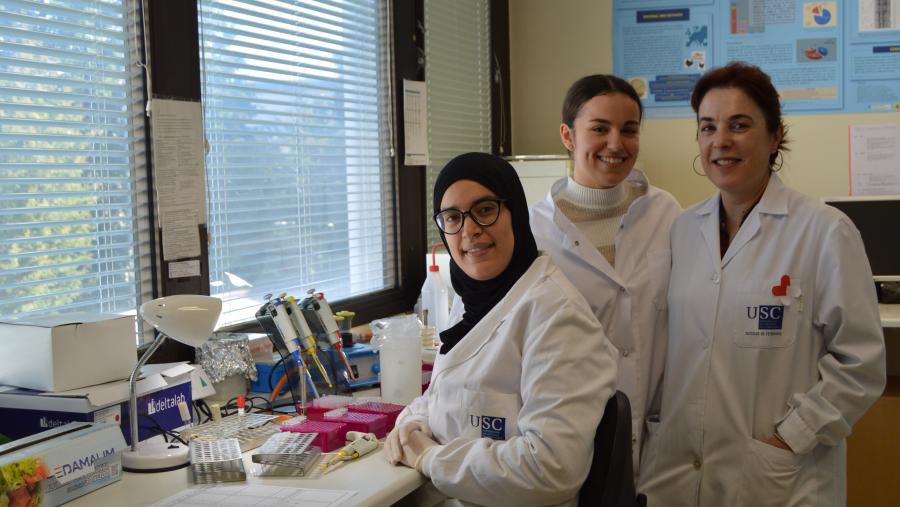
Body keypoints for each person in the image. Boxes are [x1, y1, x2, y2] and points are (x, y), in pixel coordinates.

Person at [638, 62, 886, 506]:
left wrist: (790, 438)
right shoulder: (682, 230)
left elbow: (861, 363)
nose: (721, 141)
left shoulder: (825, 231)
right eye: (708, 127)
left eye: (740, 125)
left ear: (774, 137)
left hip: (777, 477)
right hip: (676, 472)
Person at [384, 152, 618, 506]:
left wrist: (431, 458)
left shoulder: (557, 316)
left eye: (484, 209)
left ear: (515, 213)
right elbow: (445, 395)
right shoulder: (477, 298)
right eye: (453, 217)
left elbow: (552, 467)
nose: (469, 230)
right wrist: (412, 425)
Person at [530, 74, 682, 474]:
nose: (616, 144)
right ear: (568, 135)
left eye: (629, 130)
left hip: (657, 432)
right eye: (599, 129)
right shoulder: (534, 230)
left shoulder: (666, 213)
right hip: (568, 432)